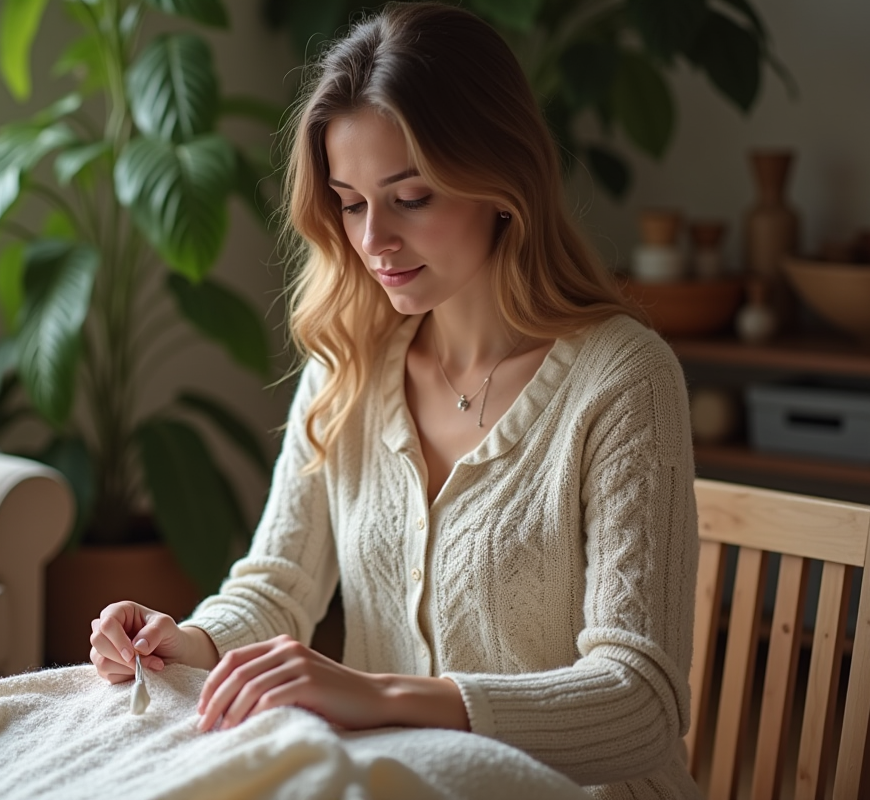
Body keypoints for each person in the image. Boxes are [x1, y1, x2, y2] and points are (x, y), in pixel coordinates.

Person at [89, 3, 699, 797]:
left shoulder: (622, 379)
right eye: (350, 202)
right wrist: (189, 641)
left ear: (503, 183)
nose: (373, 239)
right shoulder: (350, 362)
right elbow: (278, 585)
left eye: (410, 197)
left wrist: (379, 697)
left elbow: (641, 703)